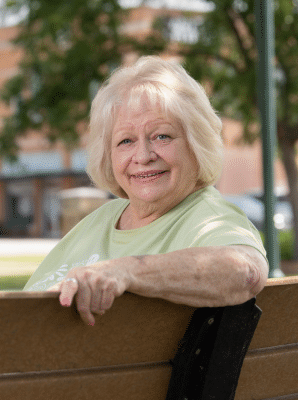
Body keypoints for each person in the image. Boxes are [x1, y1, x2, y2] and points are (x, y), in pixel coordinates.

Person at [23, 56, 268, 325]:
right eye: (125, 141)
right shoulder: (103, 218)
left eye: (161, 136)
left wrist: (124, 270)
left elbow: (244, 271)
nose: (143, 155)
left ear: (196, 144)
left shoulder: (208, 216)